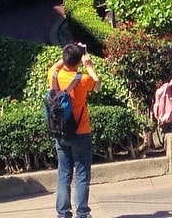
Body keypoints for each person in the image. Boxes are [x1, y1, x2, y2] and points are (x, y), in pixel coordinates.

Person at [47, 44, 100, 218]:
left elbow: (56, 66)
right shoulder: (83, 79)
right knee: (82, 173)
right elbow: (97, 83)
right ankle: (82, 213)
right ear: (79, 61)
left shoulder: (54, 75)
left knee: (64, 173)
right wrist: (89, 65)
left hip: (60, 131)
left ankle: (63, 213)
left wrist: (69, 55)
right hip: (81, 131)